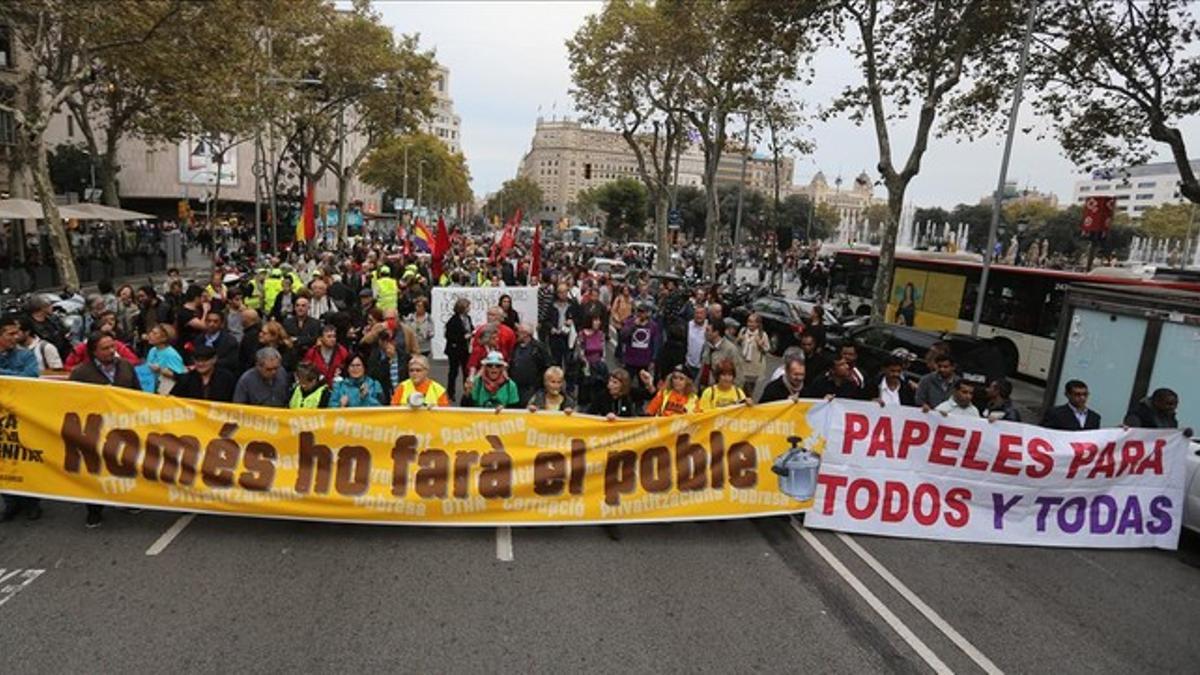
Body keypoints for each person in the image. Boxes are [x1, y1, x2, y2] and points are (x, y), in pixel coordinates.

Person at [69, 332, 141, 528]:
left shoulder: (125, 366)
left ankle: (126, 501)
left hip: (123, 428)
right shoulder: (80, 374)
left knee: (123, 465)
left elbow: (138, 393)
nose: (112, 351)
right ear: (93, 352)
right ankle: (94, 510)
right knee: (95, 469)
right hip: (95, 430)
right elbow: (74, 404)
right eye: (105, 348)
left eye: (113, 347)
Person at [0, 314, 42, 521]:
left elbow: (31, 377)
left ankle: (32, 502)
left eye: (17, 332)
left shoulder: (26, 356)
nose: (16, 337)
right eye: (10, 334)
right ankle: (10, 502)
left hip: (23, 416)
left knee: (25, 457)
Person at [509, 322, 551, 405]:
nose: (516, 334)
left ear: (526, 334)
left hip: (532, 388)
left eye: (519, 332)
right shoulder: (515, 346)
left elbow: (547, 365)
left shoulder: (539, 348)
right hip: (516, 387)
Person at [444, 298, 473, 402]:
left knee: (466, 372)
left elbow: (471, 328)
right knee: (453, 372)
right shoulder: (453, 320)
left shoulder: (468, 318)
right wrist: (463, 337)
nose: (469, 308)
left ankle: (467, 392)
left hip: (465, 349)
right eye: (467, 306)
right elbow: (449, 335)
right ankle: (451, 393)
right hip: (455, 350)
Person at [144, 323, 186, 394]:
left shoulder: (172, 354)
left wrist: (160, 370)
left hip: (166, 392)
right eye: (151, 332)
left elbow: (181, 377)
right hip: (151, 387)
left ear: (164, 338)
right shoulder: (152, 350)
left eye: (155, 334)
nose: (150, 335)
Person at [194, 310, 240, 375]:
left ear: (221, 324)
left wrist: (209, 364)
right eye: (209, 321)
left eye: (215, 322)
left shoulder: (230, 341)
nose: (211, 324)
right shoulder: (199, 339)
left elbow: (231, 362)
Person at [699, 319, 740, 388]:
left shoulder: (730, 349)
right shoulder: (706, 345)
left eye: (707, 330)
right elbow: (702, 367)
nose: (705, 332)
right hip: (704, 388)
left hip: (719, 390)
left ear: (716, 333)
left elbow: (737, 374)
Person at [737, 312, 770, 395]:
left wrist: (760, 344)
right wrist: (739, 339)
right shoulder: (743, 331)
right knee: (741, 384)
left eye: (753, 322)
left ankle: (747, 401)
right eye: (749, 321)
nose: (750, 324)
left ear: (758, 324)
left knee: (750, 387)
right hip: (743, 363)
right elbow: (738, 343)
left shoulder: (762, 335)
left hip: (754, 365)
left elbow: (767, 349)